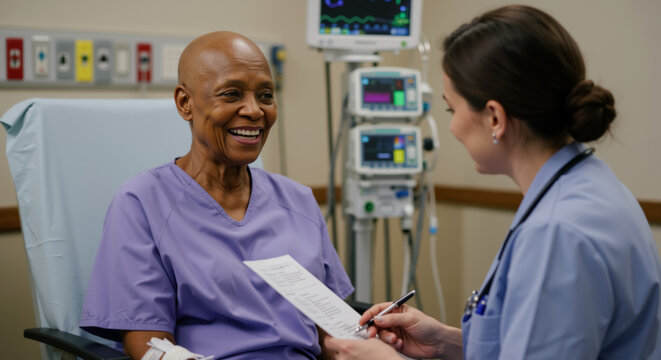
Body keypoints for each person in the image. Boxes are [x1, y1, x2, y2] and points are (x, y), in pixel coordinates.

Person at [324, 5, 661, 360]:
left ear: (496, 118)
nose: (452, 128)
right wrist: (447, 342)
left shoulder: (557, 233)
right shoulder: (592, 187)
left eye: (452, 110)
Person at [80, 31, 353, 359]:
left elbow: (335, 339)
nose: (254, 111)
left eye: (266, 95)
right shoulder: (141, 204)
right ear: (185, 103)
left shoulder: (298, 201)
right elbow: (149, 346)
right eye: (232, 94)